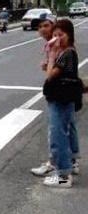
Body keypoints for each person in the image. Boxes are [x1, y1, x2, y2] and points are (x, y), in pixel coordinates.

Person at [31, 14, 80, 179]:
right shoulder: (64, 51)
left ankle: (63, 174)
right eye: (40, 27)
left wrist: (51, 57)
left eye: (60, 34)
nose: (43, 30)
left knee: (58, 133)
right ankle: (68, 164)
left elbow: (51, 76)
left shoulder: (65, 52)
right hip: (63, 96)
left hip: (61, 97)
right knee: (63, 130)